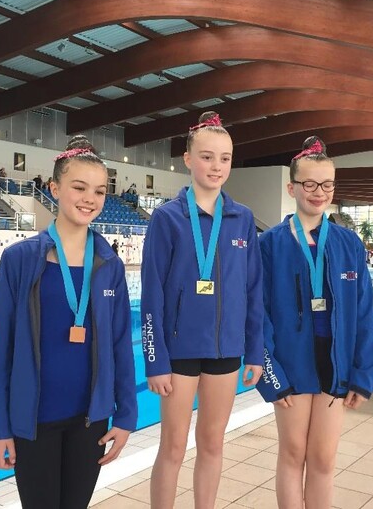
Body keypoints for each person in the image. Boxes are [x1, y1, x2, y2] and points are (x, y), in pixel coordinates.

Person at [0, 135, 137, 509]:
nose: (90, 199)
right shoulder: (20, 260)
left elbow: (121, 344)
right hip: (34, 421)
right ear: (54, 188)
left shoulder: (109, 265)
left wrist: (126, 416)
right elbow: (1, 348)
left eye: (99, 191)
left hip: (90, 422)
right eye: (79, 187)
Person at [141, 112, 263, 508]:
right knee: (173, 446)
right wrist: (155, 360)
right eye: (207, 157)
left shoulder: (242, 218)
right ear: (188, 159)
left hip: (226, 349)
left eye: (224, 158)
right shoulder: (167, 218)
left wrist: (255, 351)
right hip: (179, 352)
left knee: (212, 443)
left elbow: (253, 289)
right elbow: (152, 295)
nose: (216, 166)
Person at [255, 136, 373, 509]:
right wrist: (271, 374)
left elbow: (364, 312)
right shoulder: (270, 245)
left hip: (335, 363)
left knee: (323, 459)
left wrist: (363, 374)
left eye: (327, 184)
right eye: (309, 184)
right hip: (290, 363)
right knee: (293, 453)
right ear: (291, 187)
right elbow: (257, 315)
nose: (319, 192)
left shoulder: (348, 243)